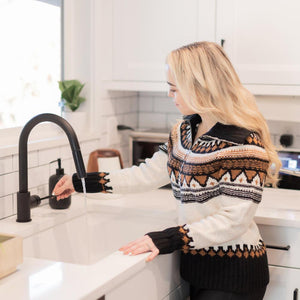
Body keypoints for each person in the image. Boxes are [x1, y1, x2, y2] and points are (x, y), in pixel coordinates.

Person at [53, 41, 281, 300]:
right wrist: (81, 181)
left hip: (235, 275)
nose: (170, 95)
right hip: (198, 270)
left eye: (174, 89)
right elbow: (147, 173)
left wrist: (168, 239)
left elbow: (233, 220)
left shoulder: (243, 144)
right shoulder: (184, 132)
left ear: (200, 87)